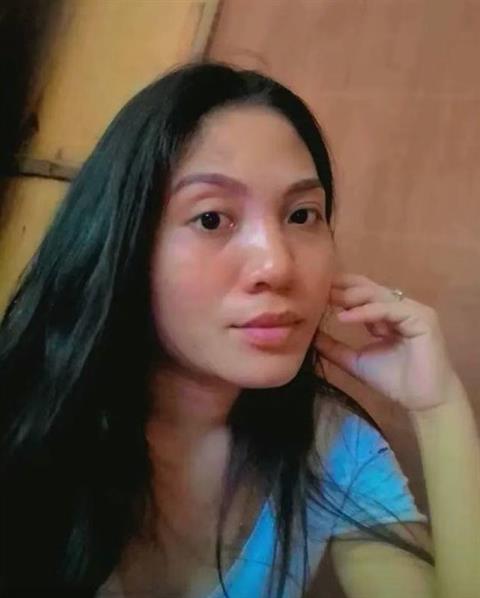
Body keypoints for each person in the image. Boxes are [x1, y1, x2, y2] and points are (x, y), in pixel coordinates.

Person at [0, 62, 478, 598]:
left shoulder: (329, 447)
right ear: (123, 242)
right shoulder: (23, 426)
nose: (277, 265)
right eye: (212, 218)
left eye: (302, 215)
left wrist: (440, 408)